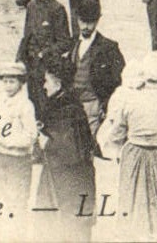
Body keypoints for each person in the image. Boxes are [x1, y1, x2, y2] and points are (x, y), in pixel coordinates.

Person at [100, 52, 157, 240]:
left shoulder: (131, 100)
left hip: (134, 154)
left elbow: (118, 132)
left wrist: (114, 146)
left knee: (132, 201)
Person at [34, 48, 98, 242]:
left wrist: (44, 141)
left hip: (67, 183)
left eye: (47, 81)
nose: (44, 86)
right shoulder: (68, 104)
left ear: (58, 82)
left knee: (64, 227)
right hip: (72, 180)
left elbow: (69, 150)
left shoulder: (66, 109)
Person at [66, 0, 125, 142]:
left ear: (97, 21)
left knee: (89, 146)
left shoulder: (109, 48)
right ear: (77, 19)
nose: (85, 26)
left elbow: (119, 82)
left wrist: (105, 106)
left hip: (93, 106)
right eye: (82, 21)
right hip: (72, 105)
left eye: (90, 22)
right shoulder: (71, 44)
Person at [16, 0, 70, 117]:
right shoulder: (31, 7)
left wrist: (44, 54)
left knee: (48, 113)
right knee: (32, 111)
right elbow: (26, 37)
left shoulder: (57, 9)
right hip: (32, 69)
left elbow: (65, 42)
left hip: (49, 70)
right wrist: (19, 59)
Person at [0, 60, 39, 219]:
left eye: (12, 81)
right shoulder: (2, 102)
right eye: (5, 81)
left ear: (21, 83)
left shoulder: (25, 105)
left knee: (19, 200)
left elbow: (31, 135)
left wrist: (9, 142)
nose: (8, 85)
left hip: (19, 159)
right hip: (2, 156)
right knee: (5, 196)